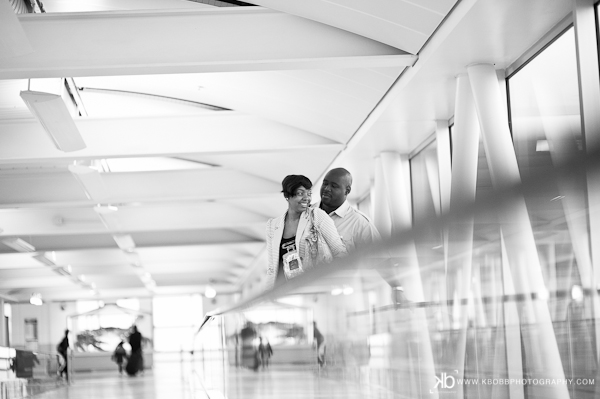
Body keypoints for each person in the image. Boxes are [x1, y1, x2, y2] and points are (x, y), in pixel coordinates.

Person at [319, 168, 409, 306]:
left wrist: (396, 287)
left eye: (334, 186)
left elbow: (381, 259)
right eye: (325, 183)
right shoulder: (304, 214)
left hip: (340, 297)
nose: (326, 188)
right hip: (308, 290)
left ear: (347, 191)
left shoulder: (359, 223)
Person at [265, 174, 348, 290]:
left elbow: (339, 250)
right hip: (285, 289)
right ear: (287, 195)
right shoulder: (272, 226)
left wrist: (338, 281)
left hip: (313, 286)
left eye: (309, 193)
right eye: (300, 193)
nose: (306, 198)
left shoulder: (317, 216)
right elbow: (272, 268)